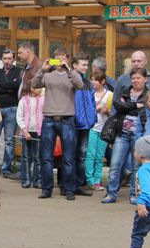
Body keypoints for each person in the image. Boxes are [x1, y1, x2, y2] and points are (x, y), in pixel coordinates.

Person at [32, 49, 83, 200]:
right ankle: (46, 189)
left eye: (63, 58)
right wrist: (42, 69)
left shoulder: (72, 74)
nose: (59, 61)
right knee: (46, 157)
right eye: (57, 58)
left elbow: (80, 85)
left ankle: (68, 189)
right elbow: (34, 84)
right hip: (49, 118)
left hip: (67, 119)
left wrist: (68, 70)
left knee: (69, 157)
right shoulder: (47, 75)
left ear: (67, 59)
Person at [103, 68, 150, 205]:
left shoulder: (148, 94)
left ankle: (134, 195)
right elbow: (118, 106)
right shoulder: (125, 91)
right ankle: (111, 194)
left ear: (145, 79)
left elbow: (145, 108)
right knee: (115, 164)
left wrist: (127, 106)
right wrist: (135, 105)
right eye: (133, 78)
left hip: (138, 135)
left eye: (138, 78)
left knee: (136, 167)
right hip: (121, 134)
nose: (135, 80)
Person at [0, 50, 22, 179]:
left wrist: (1, 85)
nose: (7, 61)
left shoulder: (18, 71)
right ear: (2, 59)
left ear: (13, 59)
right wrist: (8, 87)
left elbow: (16, 85)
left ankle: (7, 168)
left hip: (12, 108)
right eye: (5, 58)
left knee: (9, 140)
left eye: (9, 58)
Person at [72, 53, 97, 196]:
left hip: (86, 124)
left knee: (82, 154)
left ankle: (79, 183)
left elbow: (92, 102)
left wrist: (93, 117)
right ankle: (69, 183)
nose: (86, 67)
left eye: (87, 65)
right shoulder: (70, 81)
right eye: (83, 64)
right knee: (70, 154)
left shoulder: (88, 83)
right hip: (74, 123)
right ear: (75, 65)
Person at [85, 72, 113, 191]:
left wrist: (106, 111)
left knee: (100, 156)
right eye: (91, 79)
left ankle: (97, 181)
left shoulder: (109, 94)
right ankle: (89, 180)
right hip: (92, 127)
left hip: (104, 129)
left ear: (102, 81)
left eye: (95, 80)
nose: (92, 82)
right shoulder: (88, 93)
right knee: (90, 155)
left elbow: (113, 113)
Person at [16, 86, 44, 190]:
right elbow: (19, 117)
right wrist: (24, 130)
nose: (41, 89)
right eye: (38, 87)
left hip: (39, 131)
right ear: (32, 88)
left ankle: (37, 180)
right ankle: (26, 180)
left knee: (38, 157)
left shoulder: (43, 100)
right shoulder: (23, 101)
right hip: (26, 132)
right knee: (26, 157)